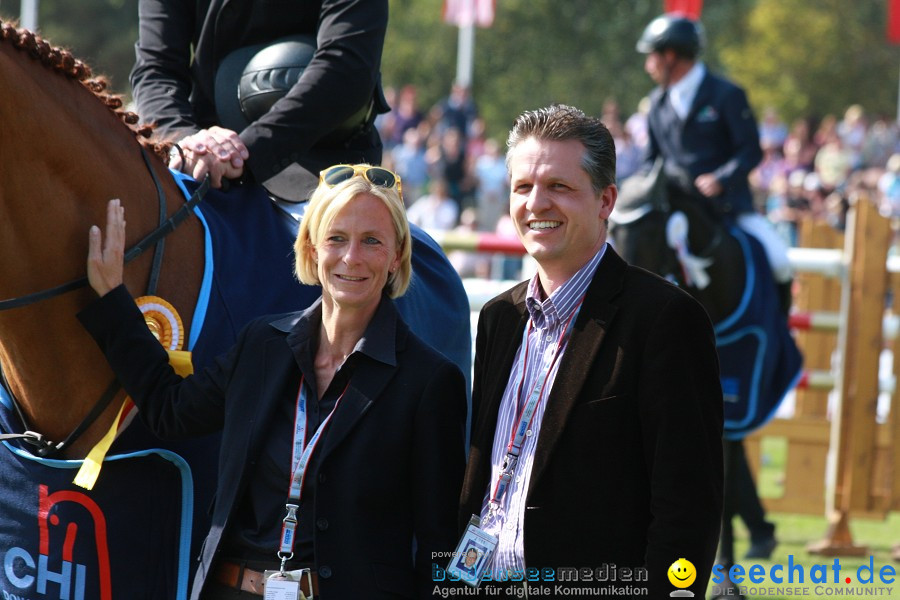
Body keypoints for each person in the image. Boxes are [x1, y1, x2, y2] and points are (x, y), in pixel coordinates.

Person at [79, 165, 466, 599]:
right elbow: (171, 410)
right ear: (312, 248)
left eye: (372, 241)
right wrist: (114, 303)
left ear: (397, 255)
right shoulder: (262, 344)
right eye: (336, 238)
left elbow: (438, 546)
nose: (351, 257)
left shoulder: (430, 381)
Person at [458, 105, 724, 598]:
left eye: (559, 186)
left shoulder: (665, 320)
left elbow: (688, 506)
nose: (536, 203)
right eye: (523, 187)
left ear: (605, 201)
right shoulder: (498, 318)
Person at [130, 0, 390, 199]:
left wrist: (244, 153)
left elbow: (347, 66)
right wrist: (185, 142)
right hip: (204, 157)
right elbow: (156, 68)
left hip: (321, 157)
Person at [636, 13, 793, 289]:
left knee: (780, 264)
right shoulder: (656, 103)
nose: (648, 66)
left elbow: (750, 151)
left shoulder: (727, 95)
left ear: (671, 55)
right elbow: (652, 161)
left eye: (652, 56)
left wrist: (721, 179)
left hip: (728, 208)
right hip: (675, 210)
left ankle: (778, 331)